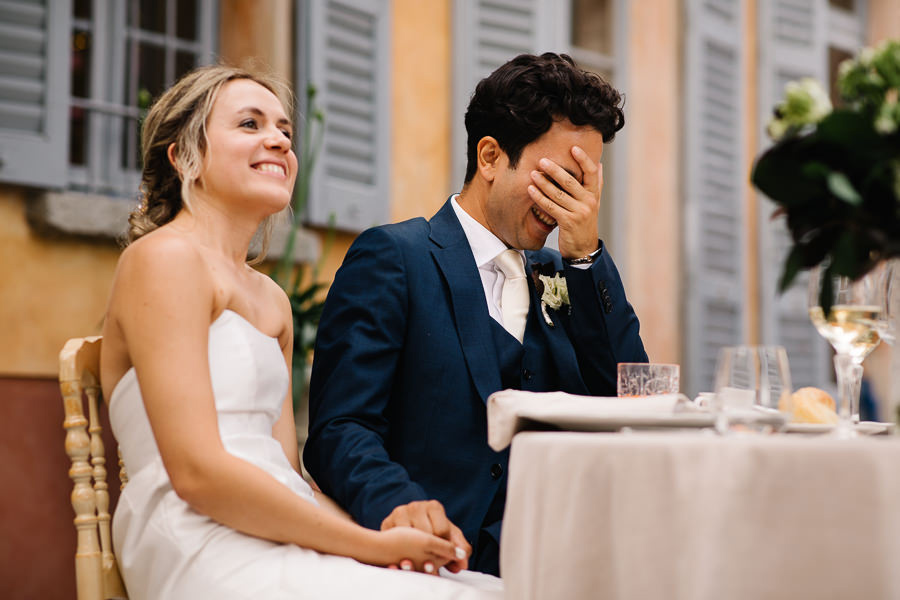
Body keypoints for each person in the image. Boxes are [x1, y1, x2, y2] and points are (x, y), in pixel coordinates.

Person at [99, 64, 502, 599]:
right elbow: (196, 473)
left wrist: (384, 532)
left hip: (274, 531)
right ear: (182, 157)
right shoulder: (164, 260)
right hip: (195, 536)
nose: (278, 141)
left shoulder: (272, 300)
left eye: (285, 131)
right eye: (249, 124)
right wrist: (368, 548)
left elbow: (288, 475)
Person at [305, 52, 648, 577]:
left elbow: (635, 400)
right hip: (433, 565)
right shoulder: (395, 258)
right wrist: (400, 506)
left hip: (560, 564)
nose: (572, 200)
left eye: (586, 180)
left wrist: (586, 259)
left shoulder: (569, 274)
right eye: (559, 175)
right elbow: (341, 426)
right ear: (490, 157)